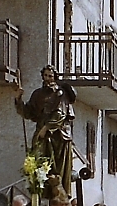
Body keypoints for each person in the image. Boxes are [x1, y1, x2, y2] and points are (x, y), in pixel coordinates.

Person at [15, 65, 77, 196]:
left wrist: (46, 128)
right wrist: (18, 99)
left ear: (55, 77)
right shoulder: (37, 94)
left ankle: (58, 196)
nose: (48, 79)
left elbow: (60, 114)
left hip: (58, 135)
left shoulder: (60, 93)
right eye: (45, 75)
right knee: (37, 162)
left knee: (56, 169)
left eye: (50, 76)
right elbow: (28, 112)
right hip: (42, 134)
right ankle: (37, 195)